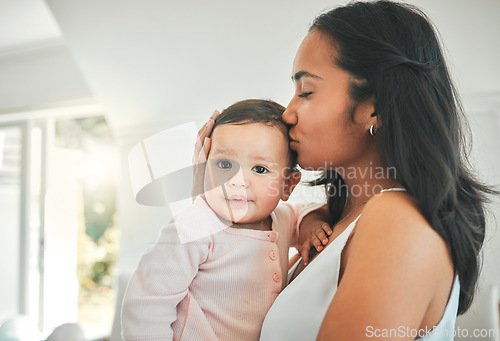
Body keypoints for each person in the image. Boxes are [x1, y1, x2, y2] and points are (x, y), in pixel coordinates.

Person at [197, 1, 497, 340]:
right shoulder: (330, 221)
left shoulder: (398, 220)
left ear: (375, 107)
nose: (288, 113)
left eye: (306, 91)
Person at [121, 99, 323, 341]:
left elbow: (306, 211)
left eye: (259, 169)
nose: (237, 180)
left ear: (288, 185)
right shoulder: (194, 228)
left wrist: (311, 223)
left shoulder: (281, 219)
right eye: (224, 164)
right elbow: (146, 305)